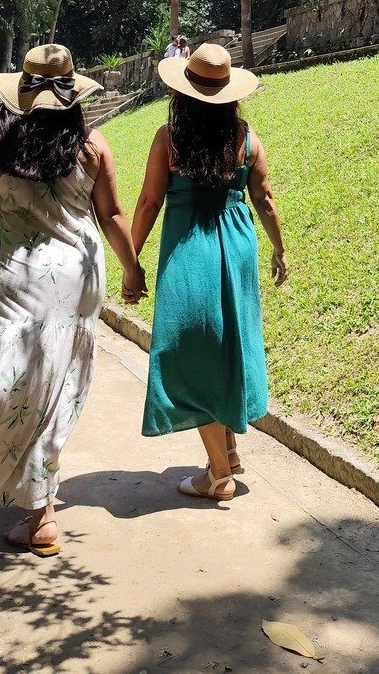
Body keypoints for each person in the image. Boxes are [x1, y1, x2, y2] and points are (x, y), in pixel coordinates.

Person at [0, 44, 147, 555]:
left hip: (12, 280)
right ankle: (35, 499)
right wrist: (132, 269)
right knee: (53, 388)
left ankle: (34, 507)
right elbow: (111, 216)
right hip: (75, 282)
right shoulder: (92, 147)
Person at [131, 42, 287, 503]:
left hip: (188, 249)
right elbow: (265, 199)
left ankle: (219, 476)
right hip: (238, 246)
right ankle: (230, 452)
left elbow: (149, 202)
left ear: (182, 94)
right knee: (226, 343)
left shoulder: (169, 139)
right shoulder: (247, 139)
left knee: (192, 353)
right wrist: (279, 249)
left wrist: (131, 261)